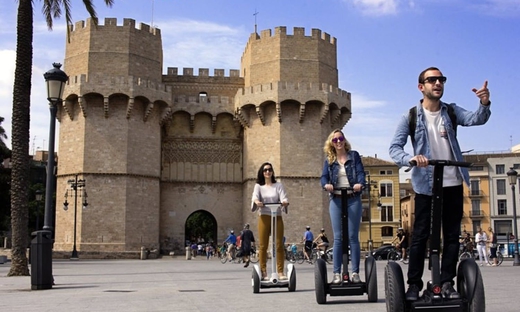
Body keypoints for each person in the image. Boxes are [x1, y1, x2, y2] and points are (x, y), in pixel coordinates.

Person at [389, 66, 491, 301]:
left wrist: (484, 103)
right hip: (425, 185)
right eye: (432, 80)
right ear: (421, 86)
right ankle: (414, 285)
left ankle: (446, 282)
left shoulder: (452, 112)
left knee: (452, 235)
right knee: (420, 235)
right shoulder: (411, 116)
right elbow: (395, 148)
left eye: (441, 79)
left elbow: (477, 119)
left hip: (453, 181)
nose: (438, 83)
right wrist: (411, 159)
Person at [320, 129, 366, 284]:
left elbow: (360, 173)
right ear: (331, 143)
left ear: (344, 140)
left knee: (353, 237)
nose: (338, 142)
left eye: (340, 138)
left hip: (353, 197)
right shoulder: (329, 160)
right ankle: (336, 273)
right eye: (335, 140)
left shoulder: (354, 156)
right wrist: (326, 185)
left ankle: (355, 273)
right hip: (336, 198)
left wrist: (360, 184)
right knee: (338, 237)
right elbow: (324, 177)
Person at [251, 162, 289, 281]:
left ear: (272, 172)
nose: (268, 172)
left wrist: (284, 202)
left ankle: (280, 271)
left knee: (279, 244)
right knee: (263, 245)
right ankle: (263, 271)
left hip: (276, 215)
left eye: (269, 170)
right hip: (264, 216)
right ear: (262, 173)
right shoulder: (258, 186)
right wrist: (257, 202)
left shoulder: (278, 185)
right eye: (265, 170)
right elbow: (255, 197)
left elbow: (284, 197)